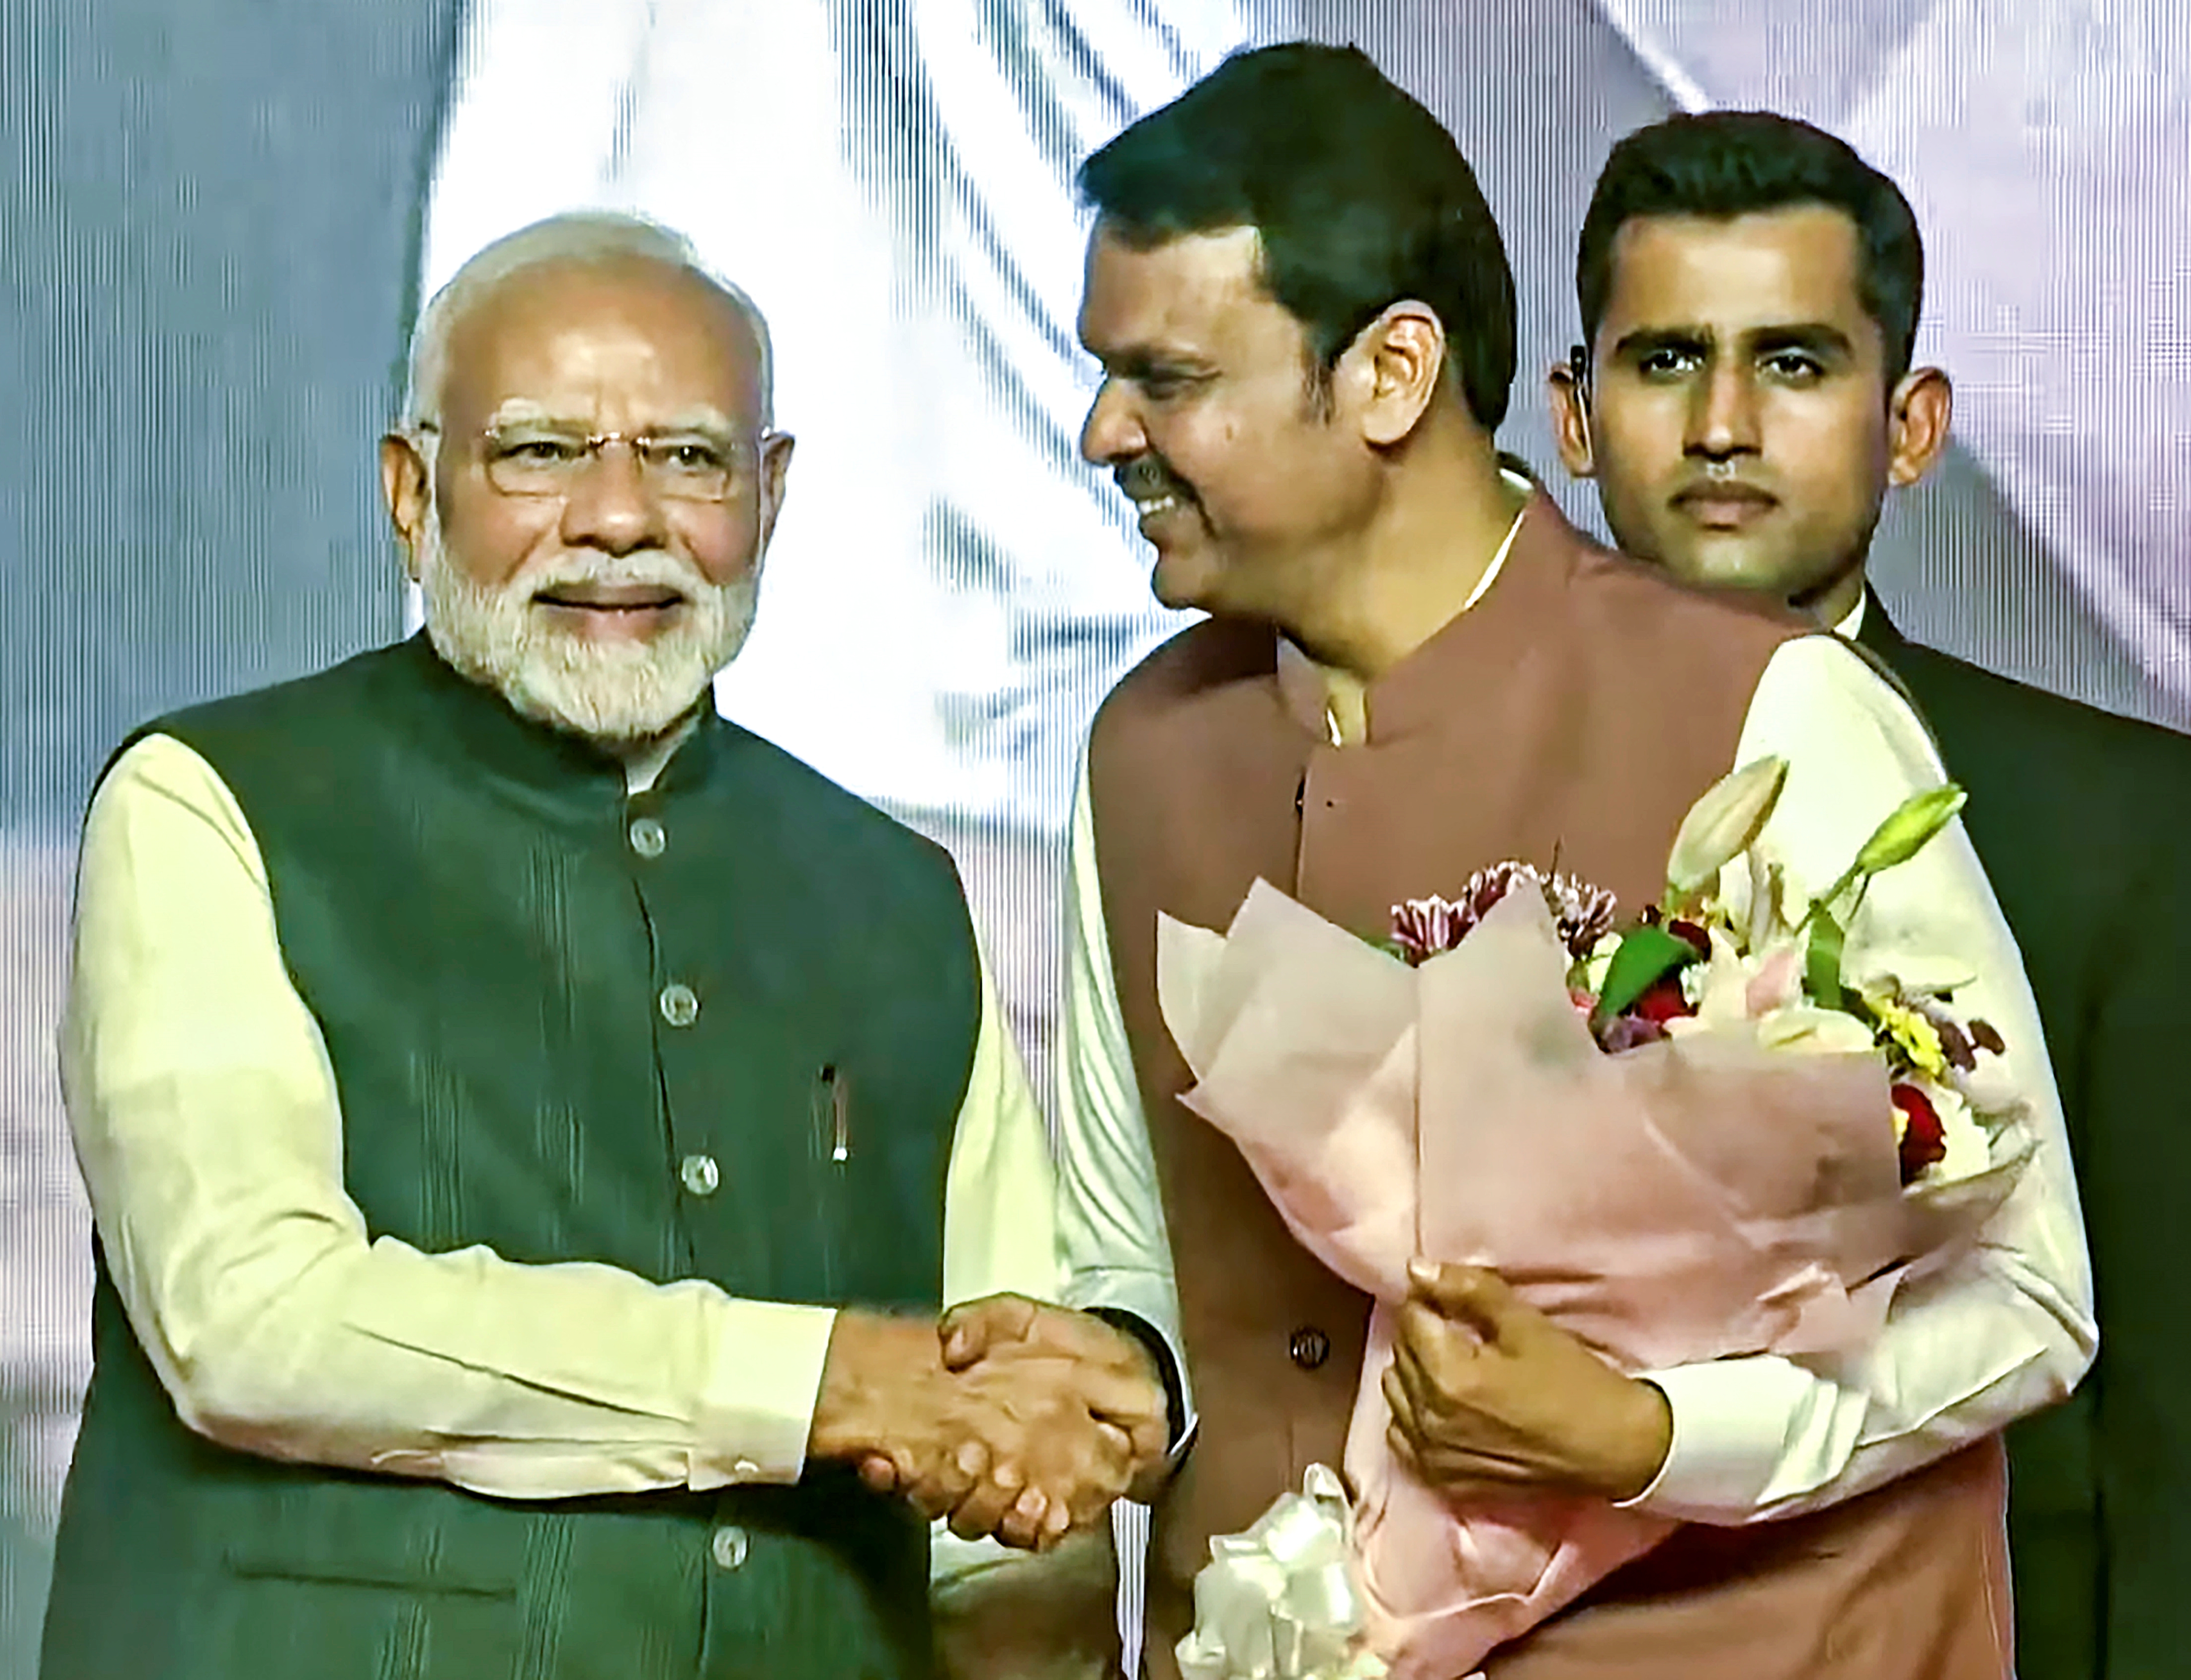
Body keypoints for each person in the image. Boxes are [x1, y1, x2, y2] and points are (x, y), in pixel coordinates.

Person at [1033, 42, 2092, 1680]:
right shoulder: (1137, 751)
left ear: (1388, 376)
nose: (1106, 430)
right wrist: (1105, 1366)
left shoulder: (1770, 709)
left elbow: (2028, 1296)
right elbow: (1136, 1252)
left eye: (1165, 378)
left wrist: (1647, 1430)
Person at [40, 211, 1166, 1680]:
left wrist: (1039, 1528)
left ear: (768, 498)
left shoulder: (893, 893)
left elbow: (993, 1468)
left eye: (689, 457)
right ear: (409, 491)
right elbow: (250, 1314)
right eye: (541, 451)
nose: (620, 517)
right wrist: (819, 1379)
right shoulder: (213, 803)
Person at [1546, 109, 2191, 1680]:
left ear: (1907, 426)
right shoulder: (1460, 809)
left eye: (1789, 364)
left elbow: (2168, 1449)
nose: (1718, 423)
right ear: (1569, 415)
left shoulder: (2119, 824)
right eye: (1660, 362)